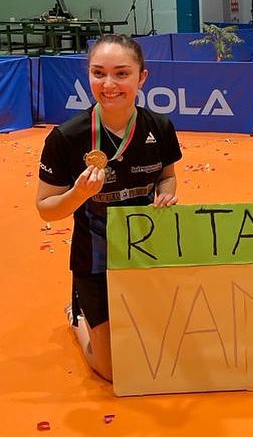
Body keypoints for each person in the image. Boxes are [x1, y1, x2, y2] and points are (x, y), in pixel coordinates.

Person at [36, 34, 182, 382]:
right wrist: (78, 194)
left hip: (146, 254)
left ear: (141, 77)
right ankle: (78, 318)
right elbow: (46, 208)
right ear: (88, 75)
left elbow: (167, 176)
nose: (109, 84)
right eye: (98, 73)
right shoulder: (66, 137)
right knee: (113, 370)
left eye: (121, 73)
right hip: (95, 260)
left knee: (161, 351)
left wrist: (165, 195)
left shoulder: (159, 127)